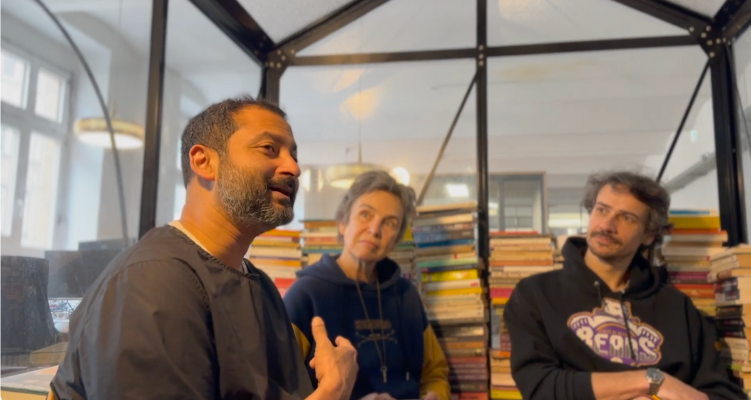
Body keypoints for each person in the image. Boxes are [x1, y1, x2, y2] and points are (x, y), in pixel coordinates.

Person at [50, 97, 358, 399]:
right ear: (203, 161)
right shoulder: (152, 283)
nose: (293, 167)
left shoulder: (258, 285)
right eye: (269, 149)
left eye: (294, 155)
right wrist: (332, 393)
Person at [504, 171, 746, 400]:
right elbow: (542, 387)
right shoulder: (536, 295)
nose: (607, 225)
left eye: (627, 217)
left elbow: (719, 393)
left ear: (649, 235)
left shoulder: (678, 306)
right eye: (602, 210)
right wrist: (652, 379)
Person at [283, 171, 451, 400]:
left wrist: (434, 396)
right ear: (343, 222)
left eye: (390, 222)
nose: (375, 230)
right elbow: (278, 387)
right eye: (365, 214)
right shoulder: (304, 295)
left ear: (396, 239)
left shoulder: (406, 295)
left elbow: (435, 374)